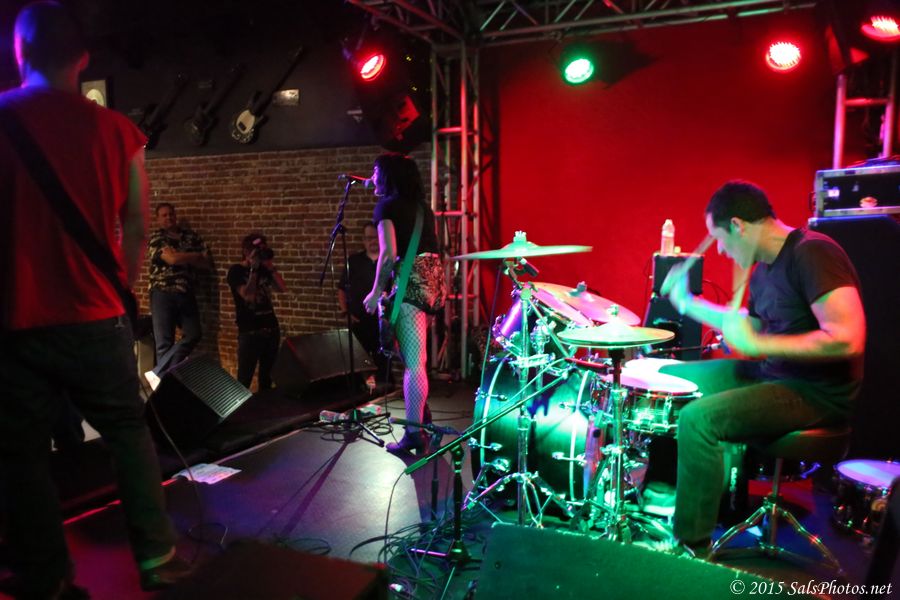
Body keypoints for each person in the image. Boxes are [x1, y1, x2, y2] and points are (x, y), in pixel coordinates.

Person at [0, 3, 190, 597]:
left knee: (21, 453)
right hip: (97, 314)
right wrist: (122, 286)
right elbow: (136, 226)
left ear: (18, 52)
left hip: (16, 319)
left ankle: (48, 577)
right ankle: (157, 557)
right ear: (82, 58)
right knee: (127, 434)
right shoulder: (119, 132)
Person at [659, 180, 866, 556]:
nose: (720, 250)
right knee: (669, 380)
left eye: (719, 238)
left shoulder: (813, 253)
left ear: (738, 226)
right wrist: (687, 302)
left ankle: (691, 547)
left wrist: (760, 345)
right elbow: (750, 328)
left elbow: (847, 337)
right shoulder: (763, 271)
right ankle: (671, 504)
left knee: (697, 419)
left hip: (817, 393)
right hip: (776, 378)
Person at [363, 153, 445, 454]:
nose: (372, 177)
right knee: (413, 356)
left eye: (376, 171)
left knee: (413, 363)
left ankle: (414, 433)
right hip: (432, 285)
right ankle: (421, 416)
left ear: (388, 175)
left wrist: (375, 292)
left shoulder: (386, 207)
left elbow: (388, 254)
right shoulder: (423, 207)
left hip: (410, 285)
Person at [144, 202, 210, 389]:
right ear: (158, 219)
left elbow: (206, 262)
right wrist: (193, 256)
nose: (169, 218)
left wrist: (182, 256)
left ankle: (158, 373)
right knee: (164, 343)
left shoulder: (191, 236)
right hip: (162, 293)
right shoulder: (157, 238)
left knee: (194, 334)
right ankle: (165, 389)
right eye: (164, 215)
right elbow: (171, 259)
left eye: (171, 214)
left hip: (186, 292)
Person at [227, 233, 286, 391]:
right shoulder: (236, 271)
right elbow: (248, 296)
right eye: (257, 251)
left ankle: (265, 406)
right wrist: (253, 270)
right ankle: (242, 407)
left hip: (271, 329)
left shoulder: (264, 270)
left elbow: (282, 288)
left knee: (267, 379)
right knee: (244, 378)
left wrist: (270, 267)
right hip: (250, 331)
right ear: (246, 251)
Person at [338, 222, 392, 387]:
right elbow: (341, 289)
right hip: (359, 321)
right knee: (358, 365)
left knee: (384, 366)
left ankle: (384, 390)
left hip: (382, 322)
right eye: (369, 238)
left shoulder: (389, 262)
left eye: (376, 237)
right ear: (363, 240)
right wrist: (345, 312)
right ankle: (361, 394)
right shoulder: (354, 261)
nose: (373, 241)